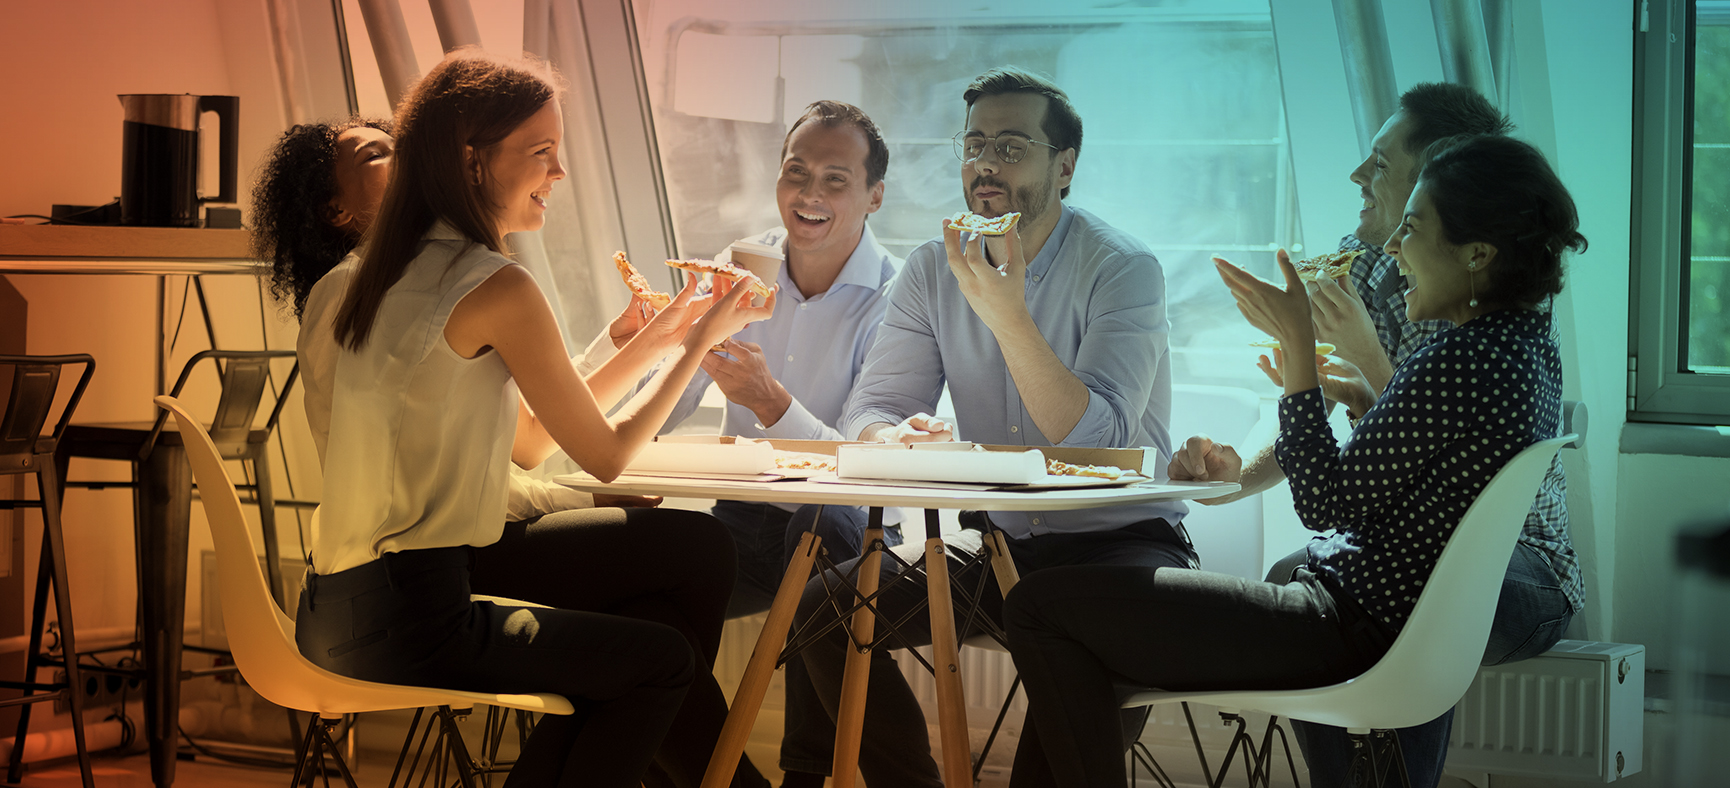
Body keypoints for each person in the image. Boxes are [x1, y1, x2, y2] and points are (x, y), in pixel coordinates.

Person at [1004, 133, 1583, 787]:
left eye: (1414, 229)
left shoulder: (1456, 359)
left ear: (1478, 253)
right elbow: (1421, 475)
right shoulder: (1526, 348)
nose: (1394, 248)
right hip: (1369, 620)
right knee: (1078, 619)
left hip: (1341, 628)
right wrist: (1366, 400)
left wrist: (1298, 357)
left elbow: (1327, 503)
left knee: (1037, 606)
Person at [288, 51, 775, 788]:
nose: (561, 173)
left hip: (329, 609)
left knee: (686, 571)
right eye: (542, 152)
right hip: (419, 615)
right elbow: (606, 456)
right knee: (662, 657)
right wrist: (705, 338)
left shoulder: (342, 282)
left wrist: (666, 333)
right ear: (471, 161)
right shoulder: (494, 283)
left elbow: (532, 442)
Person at [781, 66, 1191, 788]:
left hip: (1119, 548)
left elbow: (1097, 441)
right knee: (826, 612)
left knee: (1063, 743)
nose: (985, 166)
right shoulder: (932, 270)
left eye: (1010, 146)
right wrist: (890, 437)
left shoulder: (1124, 268)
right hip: (1001, 550)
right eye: (974, 146)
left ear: (1064, 167)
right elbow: (870, 408)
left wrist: (1008, 315)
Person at [1168, 83, 1585, 786]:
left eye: (1382, 163)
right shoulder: (1362, 268)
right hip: (1425, 535)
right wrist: (1232, 481)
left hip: (1518, 559)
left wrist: (1366, 358)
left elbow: (1435, 459)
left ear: (1442, 172)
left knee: (1411, 583)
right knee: (1299, 572)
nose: (1359, 178)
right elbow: (1344, 432)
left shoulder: (1482, 332)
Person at [631, 100, 902, 787]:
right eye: (796, 172)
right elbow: (677, 391)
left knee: (816, 548)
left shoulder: (898, 298)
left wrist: (772, 403)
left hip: (851, 523)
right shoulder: (741, 266)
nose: (810, 194)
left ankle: (810, 774)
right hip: (746, 515)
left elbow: (868, 461)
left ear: (874, 195)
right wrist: (642, 352)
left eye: (835, 179)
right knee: (646, 610)